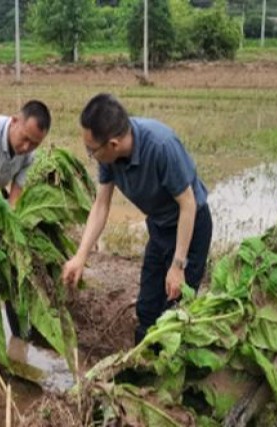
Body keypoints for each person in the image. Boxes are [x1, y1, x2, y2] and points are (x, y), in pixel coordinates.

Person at [62, 93, 213, 345]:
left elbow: (188, 204)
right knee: (147, 310)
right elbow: (101, 206)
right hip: (159, 227)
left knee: (174, 310)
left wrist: (178, 265)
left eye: (91, 150)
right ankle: (142, 369)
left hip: (191, 228)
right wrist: (81, 256)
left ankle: (170, 377)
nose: (90, 154)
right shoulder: (109, 158)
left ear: (113, 144)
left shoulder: (161, 146)